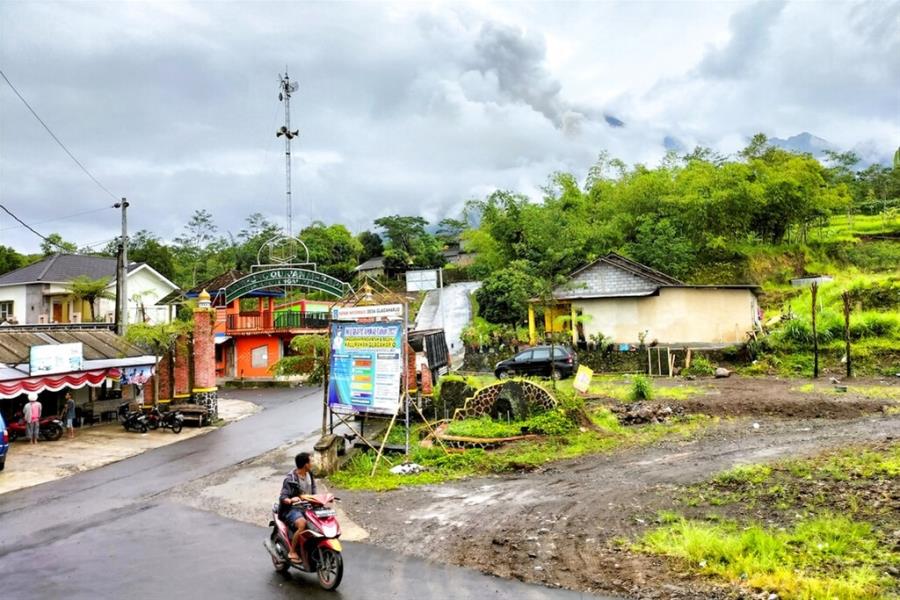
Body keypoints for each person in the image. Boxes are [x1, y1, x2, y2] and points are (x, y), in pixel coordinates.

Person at [279, 452, 317, 562]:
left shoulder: (309, 473)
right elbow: (283, 497)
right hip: (292, 508)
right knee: (302, 524)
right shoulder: (290, 478)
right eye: (311, 461)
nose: (312, 463)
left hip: (308, 506)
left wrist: (317, 499)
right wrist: (290, 500)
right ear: (306, 464)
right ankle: (292, 551)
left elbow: (313, 489)